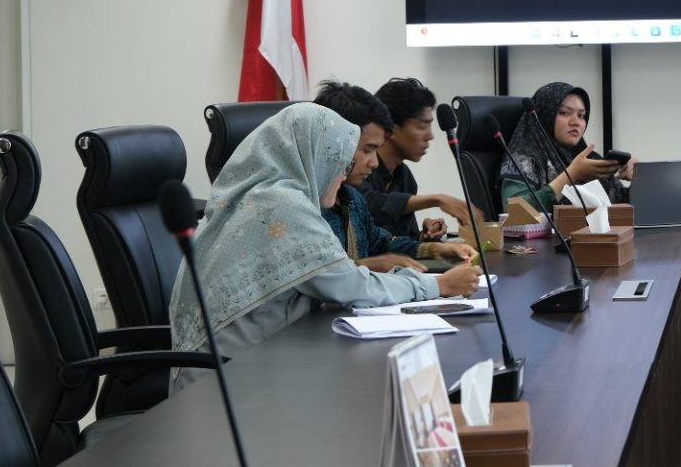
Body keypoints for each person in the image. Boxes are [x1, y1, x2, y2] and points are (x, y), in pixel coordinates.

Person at [168, 103, 482, 392]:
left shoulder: (258, 194)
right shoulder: (283, 205)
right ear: (318, 158)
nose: (344, 176)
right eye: (341, 164)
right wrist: (438, 285)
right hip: (224, 385)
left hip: (245, 365)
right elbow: (353, 286)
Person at [312, 79, 476, 270]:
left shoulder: (352, 197)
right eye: (367, 150)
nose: (373, 162)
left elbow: (381, 242)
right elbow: (316, 275)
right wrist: (371, 265)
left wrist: (434, 248)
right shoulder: (304, 203)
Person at [365, 77, 479, 241]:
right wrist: (438, 199)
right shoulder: (359, 169)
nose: (430, 135)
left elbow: (401, 239)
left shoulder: (405, 177)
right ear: (392, 128)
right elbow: (369, 204)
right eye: (422, 126)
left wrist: (424, 236)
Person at [500, 82, 636, 212]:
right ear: (545, 115)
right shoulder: (522, 159)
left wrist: (640, 178)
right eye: (565, 112)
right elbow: (514, 212)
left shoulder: (589, 159)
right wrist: (572, 173)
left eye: (581, 115)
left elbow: (622, 207)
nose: (576, 122)